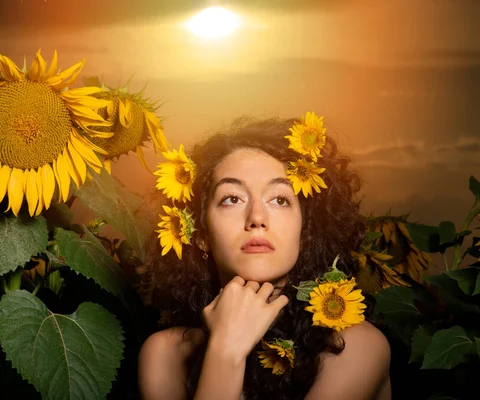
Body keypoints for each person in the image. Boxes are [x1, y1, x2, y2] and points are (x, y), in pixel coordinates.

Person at [138, 114, 391, 400]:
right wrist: (225, 351)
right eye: (232, 199)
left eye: (280, 199)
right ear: (201, 234)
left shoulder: (353, 346)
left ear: (305, 232)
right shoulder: (165, 354)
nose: (257, 218)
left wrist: (226, 352)